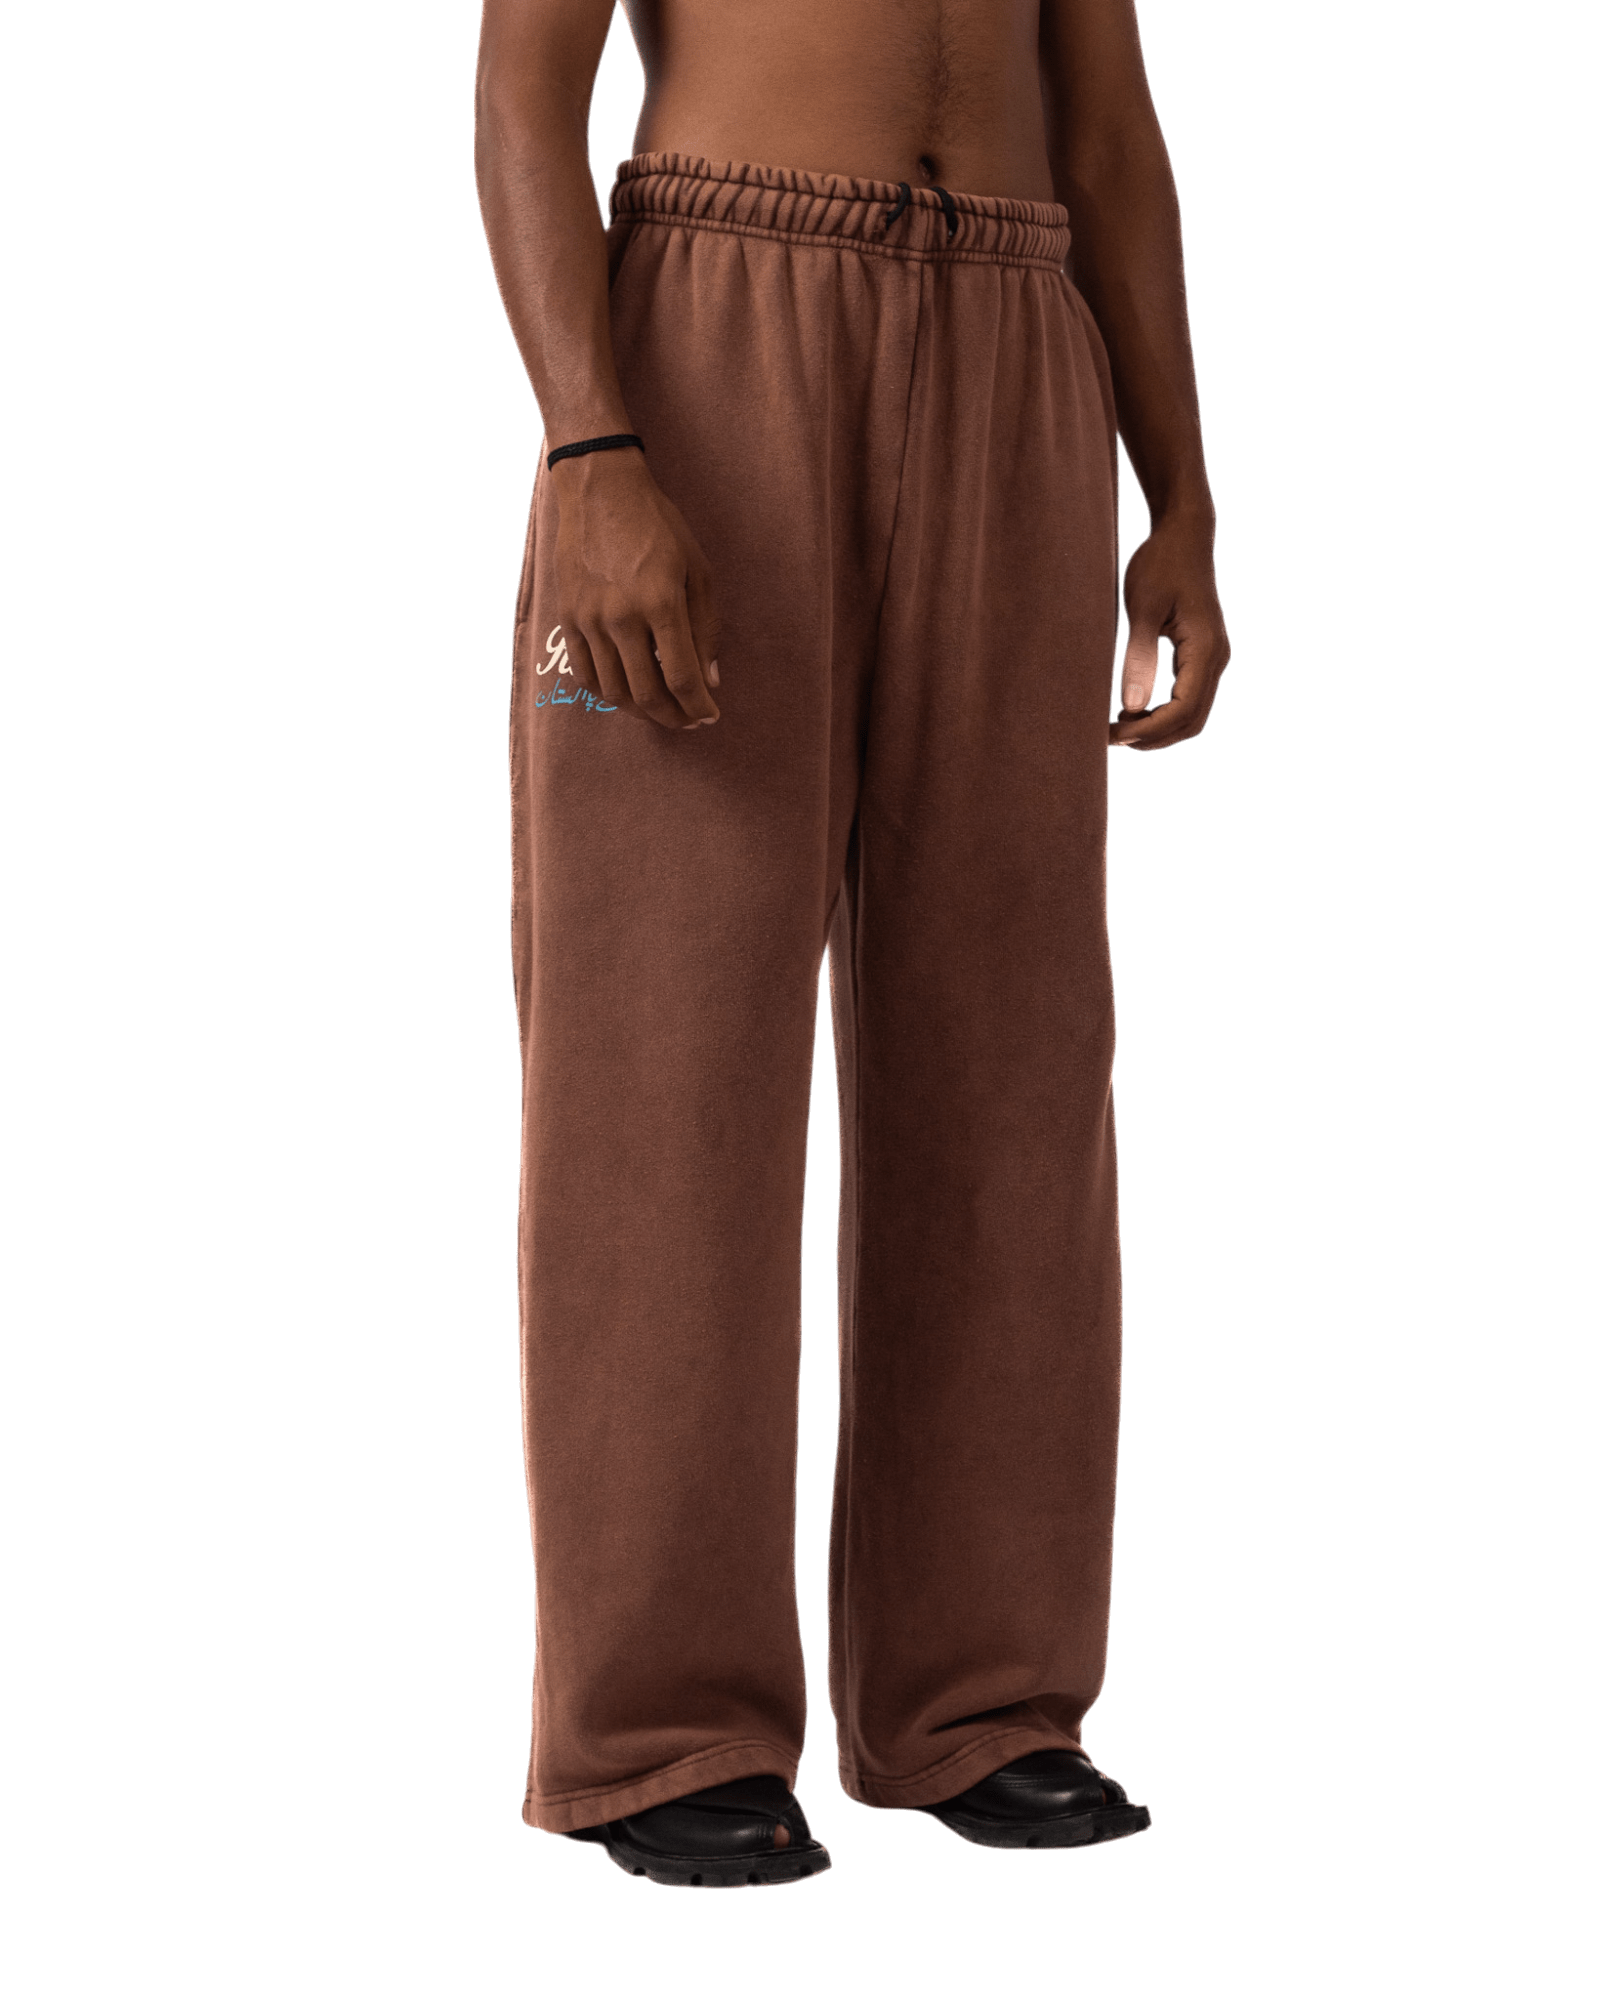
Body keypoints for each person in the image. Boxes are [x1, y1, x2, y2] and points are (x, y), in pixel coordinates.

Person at [473, 0, 1228, 1888]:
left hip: (1017, 337)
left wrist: (1182, 502)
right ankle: (660, 1731)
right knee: (667, 1062)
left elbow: (1111, 136)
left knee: (1012, 1061)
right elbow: (522, 90)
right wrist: (589, 446)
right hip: (715, 326)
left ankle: (981, 1696)